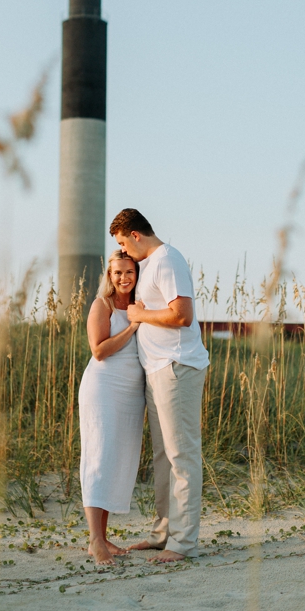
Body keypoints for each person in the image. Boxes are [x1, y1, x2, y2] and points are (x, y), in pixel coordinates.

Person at [110, 208, 209, 563]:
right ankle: (163, 534)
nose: (123, 250)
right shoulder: (149, 264)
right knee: (163, 458)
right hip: (157, 371)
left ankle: (183, 544)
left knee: (182, 456)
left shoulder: (167, 259)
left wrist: (139, 315)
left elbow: (182, 315)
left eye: (123, 242)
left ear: (135, 235)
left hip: (176, 368)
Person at [78, 250, 145, 565]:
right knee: (99, 458)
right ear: (109, 275)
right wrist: (132, 327)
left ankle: (103, 538)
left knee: (116, 460)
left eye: (128, 272)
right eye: (117, 273)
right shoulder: (101, 305)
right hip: (103, 389)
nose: (123, 278)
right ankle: (95, 541)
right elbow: (99, 350)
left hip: (130, 396)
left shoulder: (139, 305)